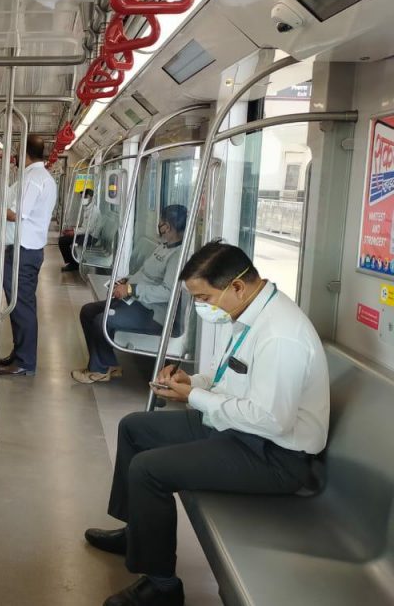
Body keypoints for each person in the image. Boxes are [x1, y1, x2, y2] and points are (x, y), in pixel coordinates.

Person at [85, 242, 329, 606]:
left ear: (237, 286)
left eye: (204, 297)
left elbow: (272, 420)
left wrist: (194, 399)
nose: (202, 307)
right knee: (135, 427)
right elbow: (231, 380)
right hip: (240, 431)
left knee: (150, 469)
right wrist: (192, 383)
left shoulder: (280, 335)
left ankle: (162, 586)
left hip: (274, 456)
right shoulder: (251, 314)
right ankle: (137, 531)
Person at [72, 205, 187, 384]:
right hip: (137, 301)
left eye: (162, 223)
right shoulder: (164, 247)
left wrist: (132, 289)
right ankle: (109, 364)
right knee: (88, 311)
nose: (159, 225)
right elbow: (145, 273)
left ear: (169, 226)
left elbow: (168, 292)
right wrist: (126, 281)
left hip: (154, 312)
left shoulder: (178, 255)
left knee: (101, 320)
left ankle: (99, 370)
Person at [0, 134, 58, 376]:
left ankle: (24, 361)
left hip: (24, 252)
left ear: (24, 154)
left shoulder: (35, 179)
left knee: (21, 306)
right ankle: (19, 353)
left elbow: (15, 214)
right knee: (18, 305)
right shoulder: (36, 177)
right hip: (23, 249)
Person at [58, 188, 98, 272]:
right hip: (85, 234)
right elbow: (83, 226)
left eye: (84, 197)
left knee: (74, 243)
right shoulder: (87, 208)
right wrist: (72, 230)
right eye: (82, 197)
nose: (82, 199)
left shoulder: (94, 210)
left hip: (91, 237)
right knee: (62, 240)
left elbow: (88, 229)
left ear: (90, 197)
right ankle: (73, 263)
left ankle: (74, 264)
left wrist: (73, 232)